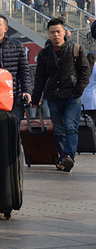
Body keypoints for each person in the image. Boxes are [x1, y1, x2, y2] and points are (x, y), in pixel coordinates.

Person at [31, 18, 90, 172]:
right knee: (58, 130)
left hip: (72, 97)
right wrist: (35, 99)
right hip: (53, 97)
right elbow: (40, 78)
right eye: (52, 32)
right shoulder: (44, 54)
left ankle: (68, 157)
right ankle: (63, 158)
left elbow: (85, 73)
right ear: (48, 34)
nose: (56, 34)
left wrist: (77, 91)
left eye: (58, 31)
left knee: (70, 127)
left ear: (64, 32)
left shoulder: (76, 49)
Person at [83, 53, 96, 123]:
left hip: (84, 99)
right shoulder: (95, 68)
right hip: (94, 100)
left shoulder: (84, 68)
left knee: (87, 122)